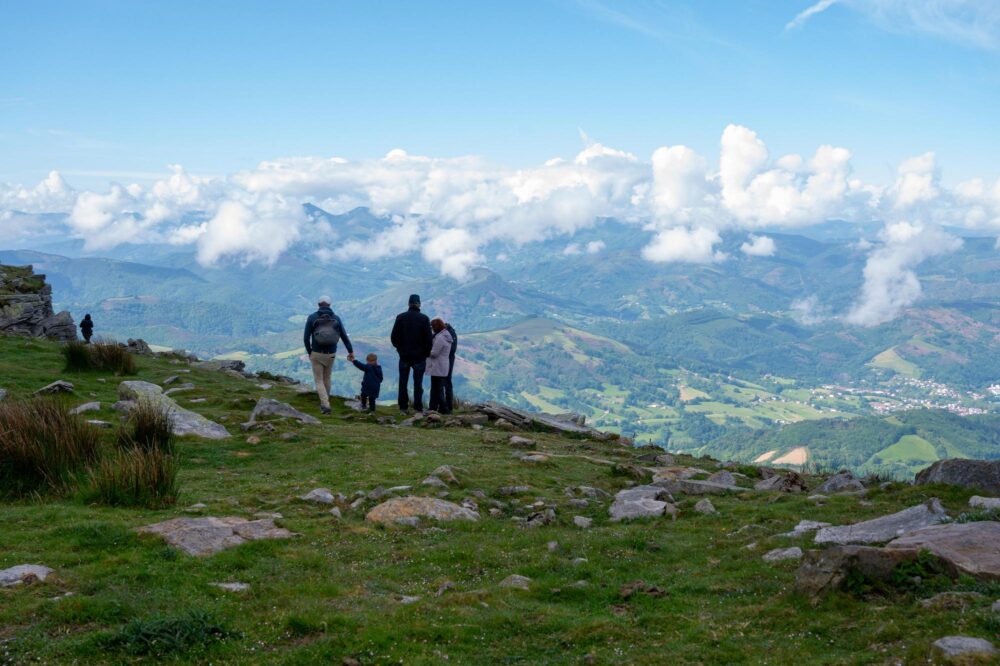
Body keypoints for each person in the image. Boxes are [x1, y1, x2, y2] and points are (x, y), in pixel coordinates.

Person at [303, 296, 354, 415]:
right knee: (327, 378)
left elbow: (306, 338)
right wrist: (350, 351)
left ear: (318, 304)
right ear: (330, 305)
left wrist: (310, 352)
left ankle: (325, 406)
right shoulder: (336, 318)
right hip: (331, 353)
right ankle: (326, 402)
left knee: (319, 380)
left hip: (316, 352)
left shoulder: (312, 318)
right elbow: (344, 337)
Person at [390, 294, 432, 414]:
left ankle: (403, 407)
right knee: (417, 383)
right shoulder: (424, 319)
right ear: (419, 304)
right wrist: (426, 353)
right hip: (419, 357)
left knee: (403, 382)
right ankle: (418, 407)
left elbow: (394, 337)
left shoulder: (400, 317)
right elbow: (428, 340)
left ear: (408, 304)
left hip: (404, 356)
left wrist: (400, 349)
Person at [427, 318, 454, 414]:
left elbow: (434, 353)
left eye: (433, 327)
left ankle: (444, 409)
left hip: (437, 366)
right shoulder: (446, 336)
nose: (432, 329)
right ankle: (435, 408)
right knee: (437, 388)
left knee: (437, 389)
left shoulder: (440, 338)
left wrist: (425, 352)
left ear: (436, 327)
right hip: (442, 365)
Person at [444, 320, 458, 413]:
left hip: (444, 362)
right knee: (447, 383)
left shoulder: (446, 334)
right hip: (450, 361)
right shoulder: (452, 333)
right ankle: (449, 407)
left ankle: (443, 407)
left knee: (442, 383)